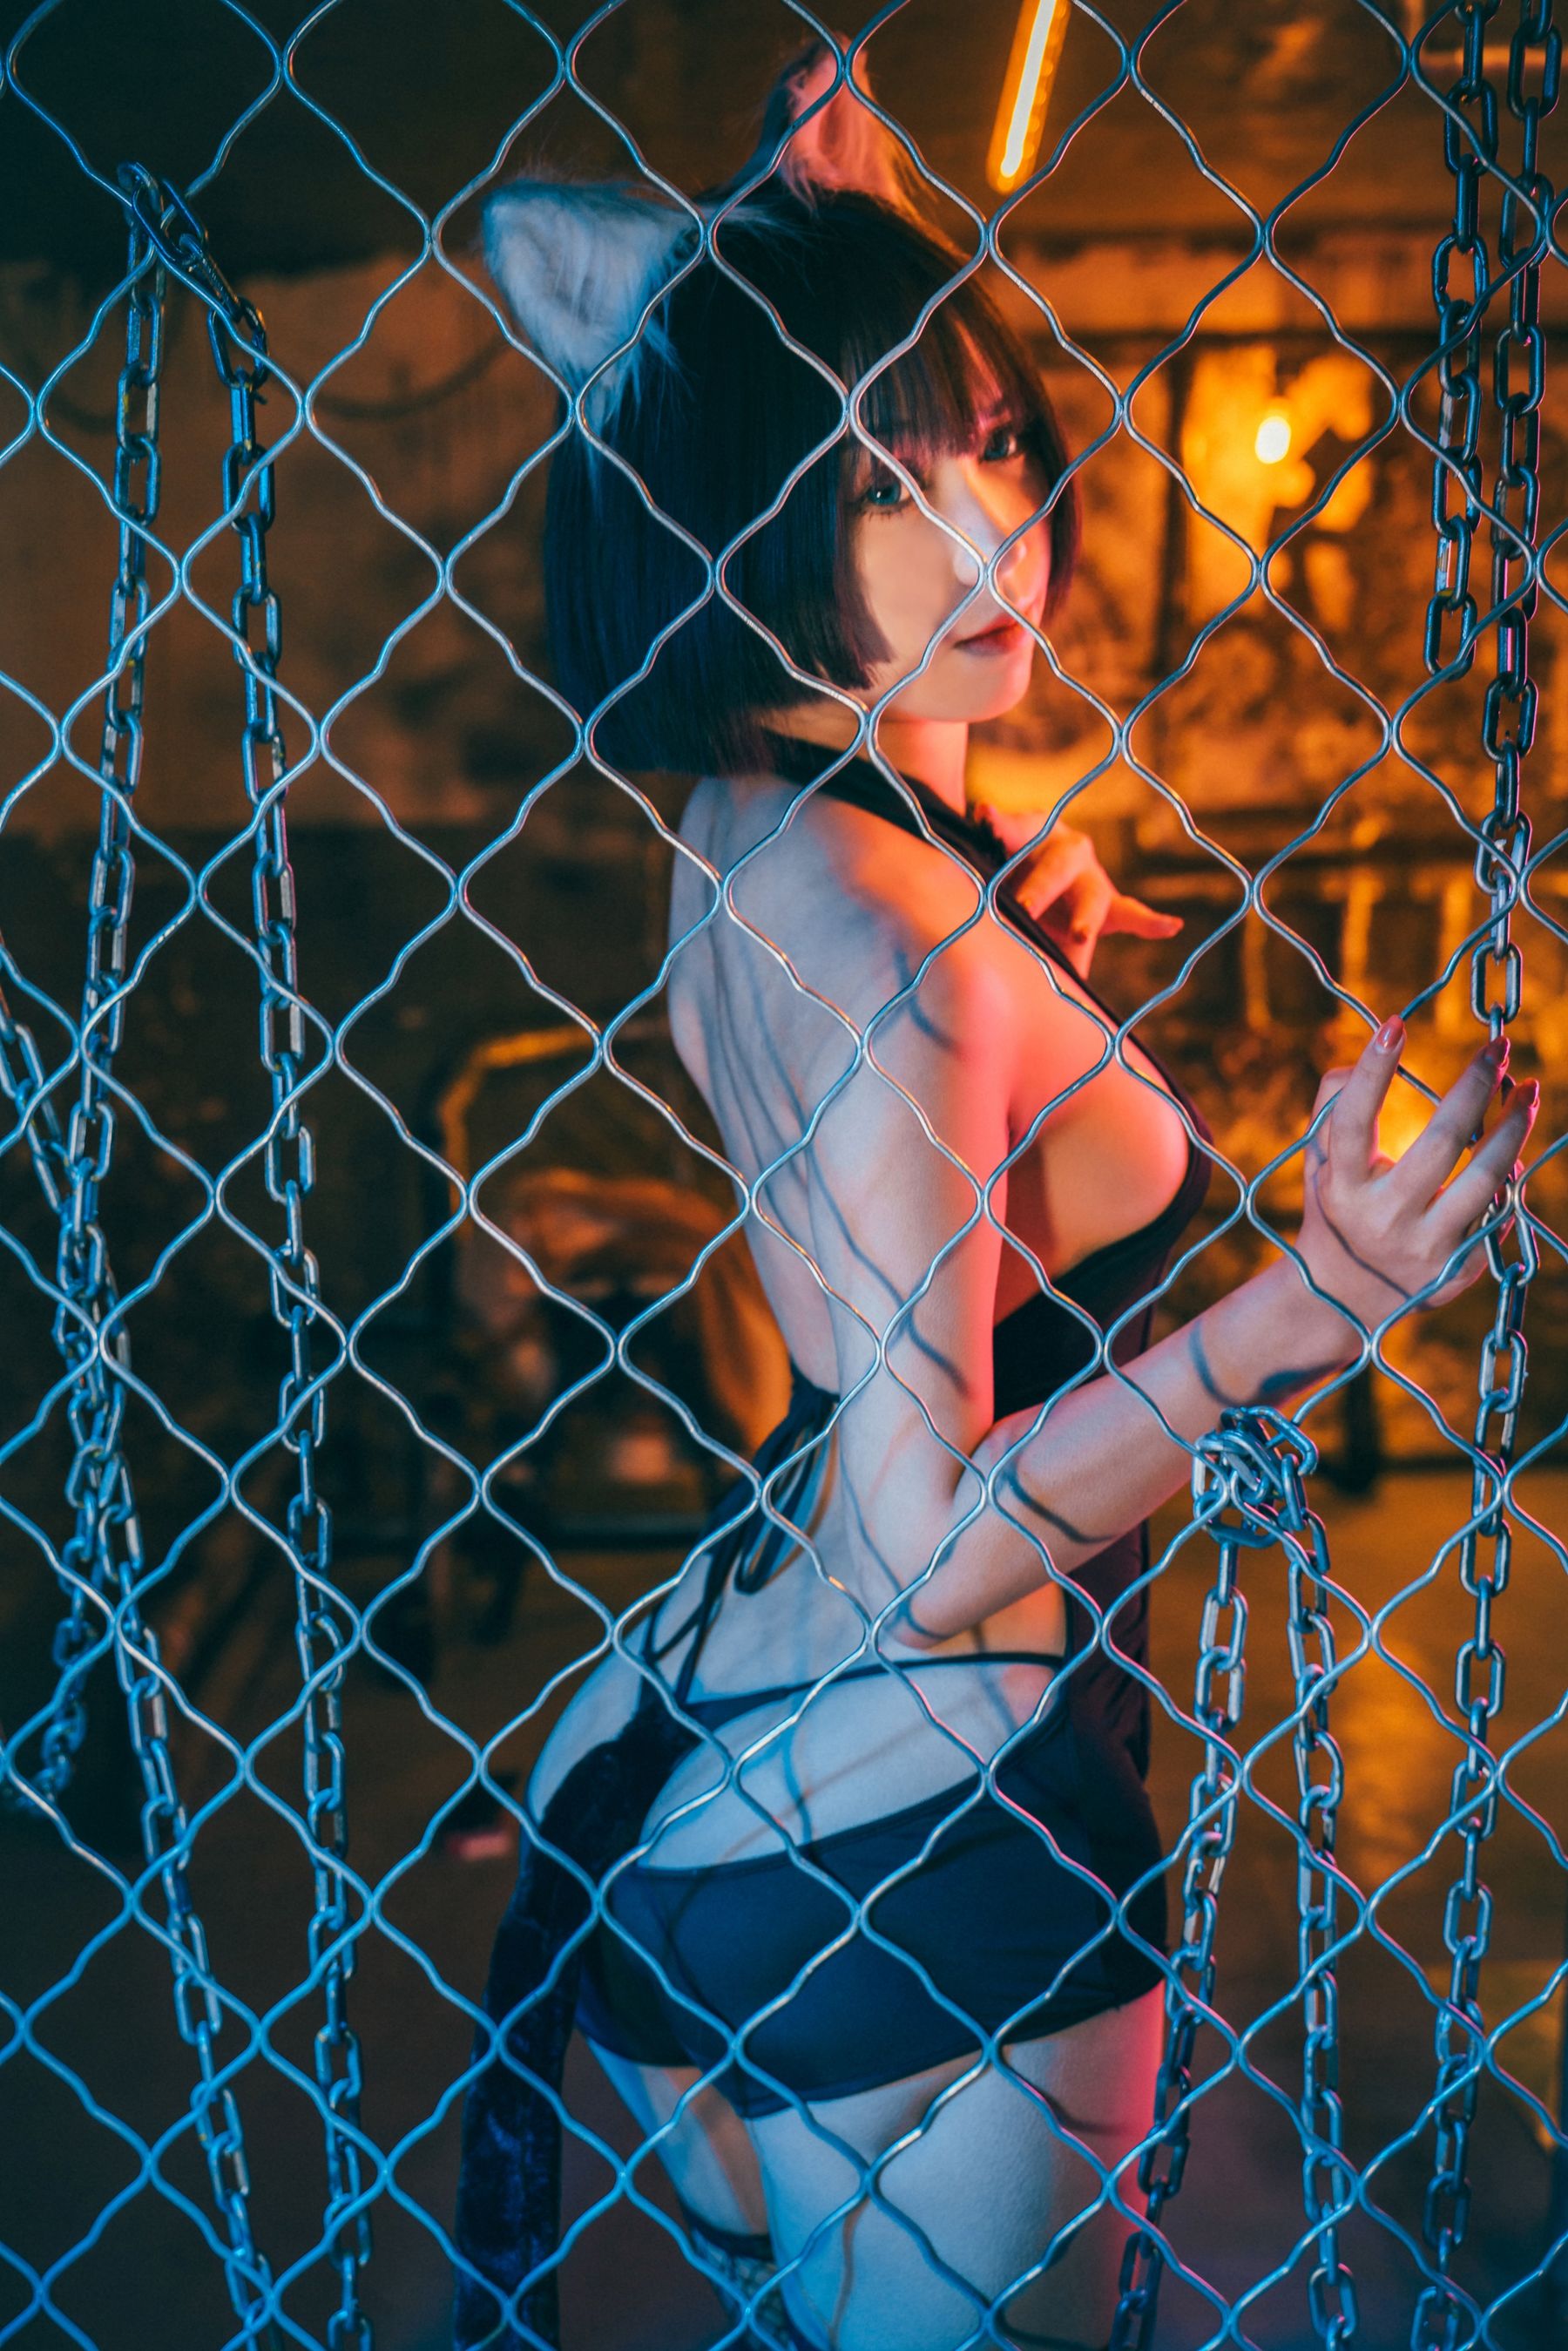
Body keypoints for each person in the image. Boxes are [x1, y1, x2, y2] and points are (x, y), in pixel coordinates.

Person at [453, 38, 1537, 2351]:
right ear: (731, 525)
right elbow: (934, 1538)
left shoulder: (760, 824)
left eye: (994, 450)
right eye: (875, 487)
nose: (988, 539)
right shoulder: (901, 949)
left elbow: (888, 1088)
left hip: (683, 1760)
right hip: (933, 1824)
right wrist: (1313, 1301)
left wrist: (1007, 923)